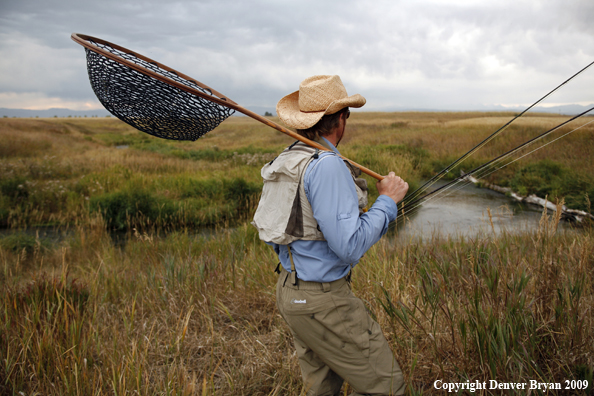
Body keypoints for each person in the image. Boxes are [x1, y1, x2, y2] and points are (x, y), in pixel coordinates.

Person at [252, 75, 409, 396]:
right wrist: (388, 202)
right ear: (340, 119)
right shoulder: (327, 165)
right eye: (346, 115)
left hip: (291, 292)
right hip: (323, 301)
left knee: (321, 388)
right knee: (389, 387)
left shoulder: (289, 158)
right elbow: (349, 247)